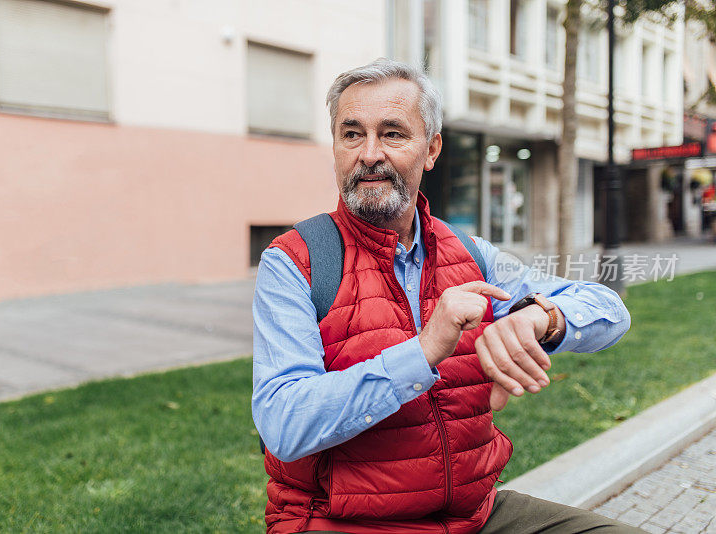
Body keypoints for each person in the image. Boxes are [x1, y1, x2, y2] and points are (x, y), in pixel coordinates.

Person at [252, 58, 639, 534]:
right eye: (351, 134)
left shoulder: (472, 255)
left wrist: (542, 318)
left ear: (431, 149)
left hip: (474, 516)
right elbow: (285, 424)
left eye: (392, 134)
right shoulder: (295, 261)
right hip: (343, 520)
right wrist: (423, 351)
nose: (369, 154)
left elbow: (610, 310)